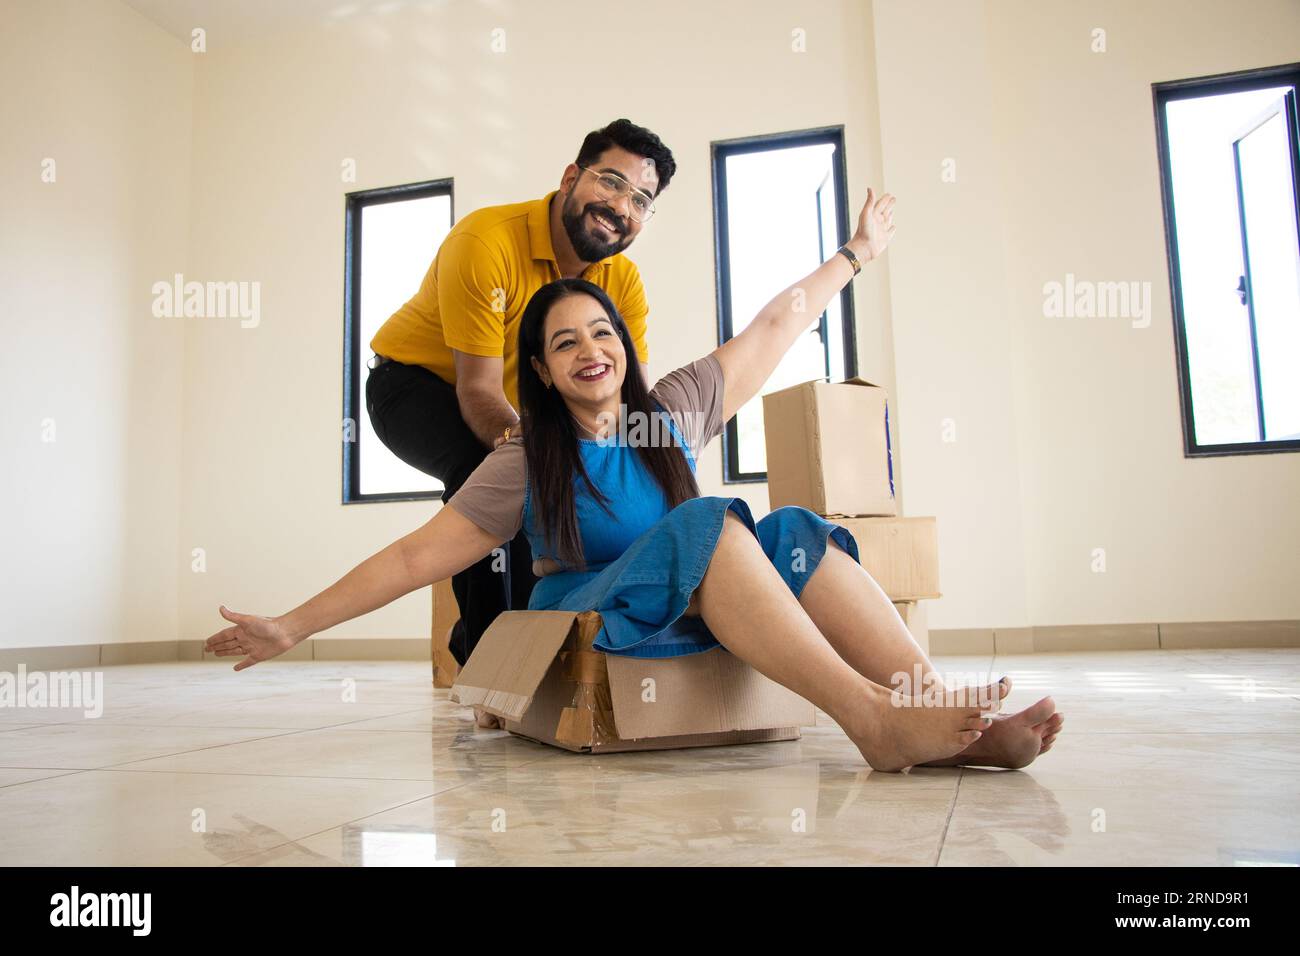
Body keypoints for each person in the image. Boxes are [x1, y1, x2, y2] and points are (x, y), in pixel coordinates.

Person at [207, 187, 1065, 772]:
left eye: (601, 333)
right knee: (710, 523)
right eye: (565, 343)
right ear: (540, 372)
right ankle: (873, 720)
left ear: (626, 344)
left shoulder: (676, 406)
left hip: (693, 609)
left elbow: (775, 325)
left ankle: (940, 708)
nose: (590, 351)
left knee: (793, 528)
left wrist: (856, 254)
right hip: (592, 616)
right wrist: (292, 625)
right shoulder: (525, 458)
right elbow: (411, 559)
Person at [366, 119, 672, 667]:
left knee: (563, 483)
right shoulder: (485, 242)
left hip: (519, 405)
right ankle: (490, 660)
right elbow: (478, 390)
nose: (623, 205)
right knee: (489, 474)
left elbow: (627, 398)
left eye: (642, 199)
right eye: (611, 182)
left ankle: (560, 645)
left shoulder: (622, 282)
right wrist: (535, 450)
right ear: (571, 176)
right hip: (414, 386)